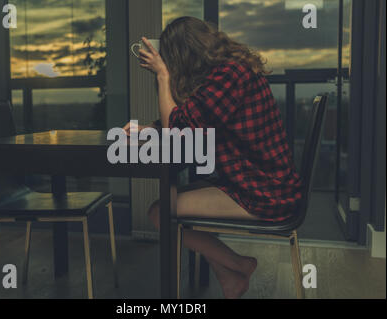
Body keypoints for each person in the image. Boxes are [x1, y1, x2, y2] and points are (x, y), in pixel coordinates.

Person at [123, 17, 303, 299]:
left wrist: (162, 76)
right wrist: (152, 128)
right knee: (168, 207)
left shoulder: (231, 75)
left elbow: (180, 127)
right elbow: (195, 116)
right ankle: (230, 278)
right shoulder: (229, 72)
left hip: (265, 193)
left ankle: (240, 265)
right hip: (255, 183)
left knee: (160, 213)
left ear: (184, 54)